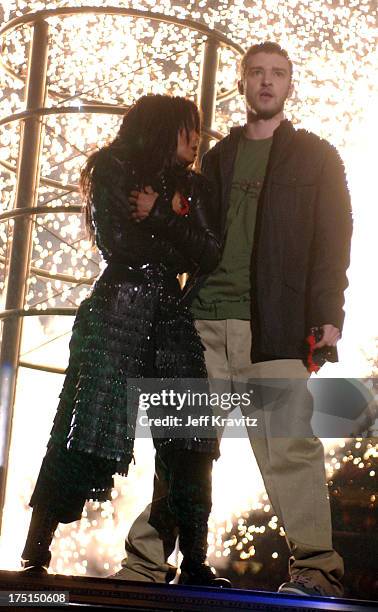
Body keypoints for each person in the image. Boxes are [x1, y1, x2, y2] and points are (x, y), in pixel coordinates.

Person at [113, 43, 353, 598]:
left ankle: (317, 570)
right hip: (199, 322)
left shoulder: (318, 157)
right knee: (183, 446)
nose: (267, 83)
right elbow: (189, 235)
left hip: (273, 326)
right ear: (242, 84)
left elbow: (333, 242)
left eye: (278, 74)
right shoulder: (216, 160)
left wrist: (328, 315)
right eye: (257, 74)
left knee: (289, 447)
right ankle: (146, 563)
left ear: (290, 85)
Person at [20, 94, 230, 587]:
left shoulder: (193, 186)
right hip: (117, 309)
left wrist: (159, 216)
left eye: (197, 129)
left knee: (192, 437)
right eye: (186, 128)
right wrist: (173, 235)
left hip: (170, 316)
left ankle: (196, 562)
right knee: (85, 428)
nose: (195, 139)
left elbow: (208, 253)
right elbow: (118, 243)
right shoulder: (112, 168)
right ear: (160, 127)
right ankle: (36, 551)